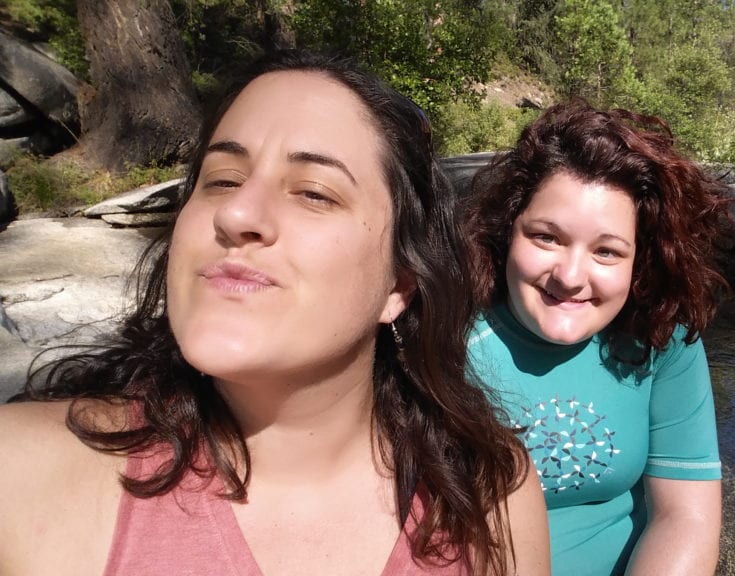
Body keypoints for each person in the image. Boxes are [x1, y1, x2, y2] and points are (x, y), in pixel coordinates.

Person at [0, 51, 549, 576]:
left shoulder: (490, 492)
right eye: (220, 180)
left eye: (313, 192)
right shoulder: (19, 476)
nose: (236, 213)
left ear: (400, 282)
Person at [463, 99, 732, 575]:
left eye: (606, 251)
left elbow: (684, 516)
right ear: (507, 232)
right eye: (546, 237)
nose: (569, 276)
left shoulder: (661, 341)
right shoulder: (444, 333)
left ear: (640, 261)